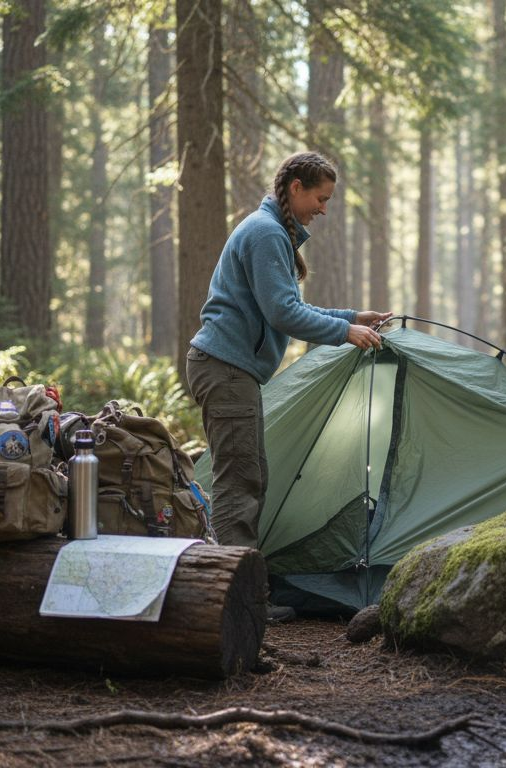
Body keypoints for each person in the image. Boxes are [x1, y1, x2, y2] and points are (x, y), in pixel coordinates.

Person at [187, 151, 391, 621]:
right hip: (224, 368)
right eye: (320, 198)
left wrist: (349, 317)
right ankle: (235, 602)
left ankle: (243, 594)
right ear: (295, 187)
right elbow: (283, 313)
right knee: (238, 482)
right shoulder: (264, 234)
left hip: (232, 370)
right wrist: (346, 334)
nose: (323, 209)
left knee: (249, 475)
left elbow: (283, 303)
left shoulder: (272, 232)